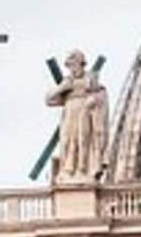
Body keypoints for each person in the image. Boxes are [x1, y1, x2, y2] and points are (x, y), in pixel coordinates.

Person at [45, 52, 108, 183]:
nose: (72, 69)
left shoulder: (91, 79)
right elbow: (49, 99)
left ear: (81, 64)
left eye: (73, 65)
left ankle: (83, 170)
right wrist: (62, 87)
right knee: (67, 142)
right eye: (69, 66)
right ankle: (68, 171)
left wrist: (93, 100)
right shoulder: (67, 82)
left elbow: (101, 95)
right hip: (69, 114)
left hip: (85, 113)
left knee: (83, 140)